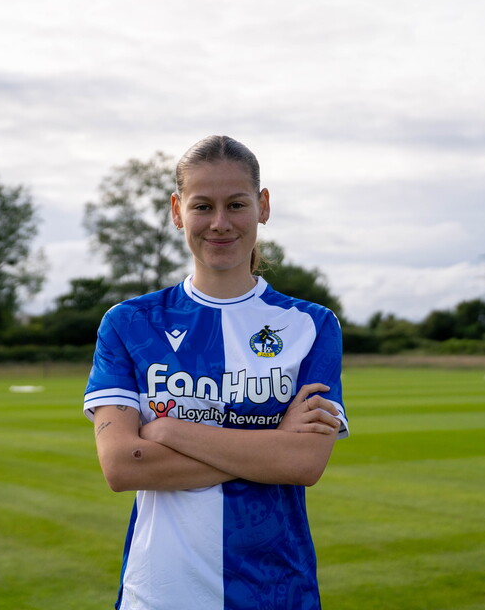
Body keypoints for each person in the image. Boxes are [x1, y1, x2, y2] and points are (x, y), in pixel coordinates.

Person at [84, 135, 349, 610]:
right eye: (203, 206)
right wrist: (272, 446)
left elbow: (304, 464)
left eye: (237, 204)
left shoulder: (312, 325)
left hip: (277, 591)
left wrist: (166, 430)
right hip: (160, 593)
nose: (220, 223)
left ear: (263, 206)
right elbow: (123, 466)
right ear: (176, 210)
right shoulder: (130, 323)